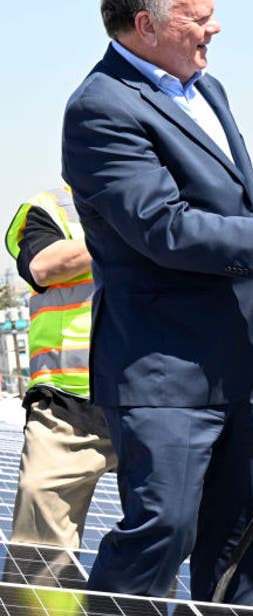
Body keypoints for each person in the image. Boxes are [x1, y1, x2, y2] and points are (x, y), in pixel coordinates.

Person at [61, 0, 253, 604]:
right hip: (164, 370)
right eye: (197, 17)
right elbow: (160, 227)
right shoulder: (101, 106)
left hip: (238, 365)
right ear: (147, 25)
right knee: (164, 529)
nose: (214, 27)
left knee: (236, 547)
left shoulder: (208, 90)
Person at [4, 187, 116, 550]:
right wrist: (139, 230)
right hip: (67, 407)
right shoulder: (51, 206)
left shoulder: (174, 198)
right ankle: (42, 610)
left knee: (166, 531)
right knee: (40, 541)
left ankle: (133, 608)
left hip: (155, 397)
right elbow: (43, 266)